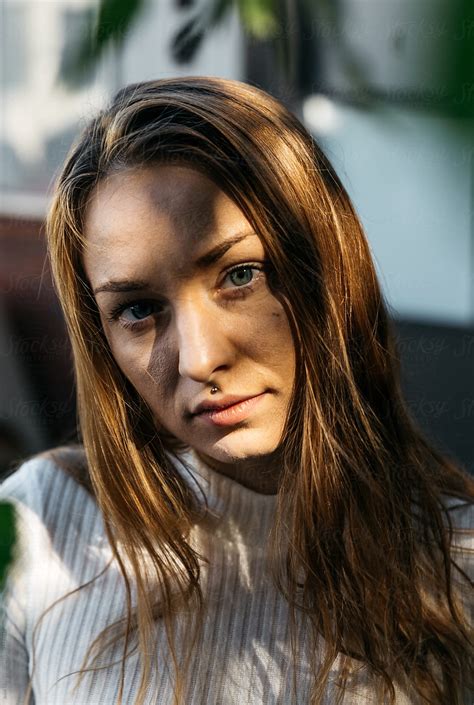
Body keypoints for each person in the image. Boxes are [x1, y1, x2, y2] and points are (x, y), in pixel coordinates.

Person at [0, 76, 472, 705]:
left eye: (240, 276)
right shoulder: (39, 523)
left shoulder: (457, 562)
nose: (199, 359)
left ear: (325, 270)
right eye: (138, 309)